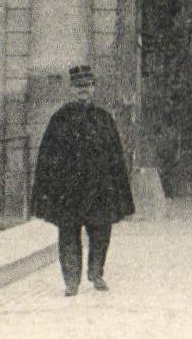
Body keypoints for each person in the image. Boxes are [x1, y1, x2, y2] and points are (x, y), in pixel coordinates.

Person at [30, 65, 135, 296]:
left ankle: (96, 273)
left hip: (100, 189)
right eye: (78, 86)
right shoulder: (60, 119)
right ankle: (71, 281)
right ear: (71, 88)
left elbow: (116, 156)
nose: (83, 90)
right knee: (68, 233)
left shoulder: (104, 119)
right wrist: (49, 190)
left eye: (87, 85)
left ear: (94, 88)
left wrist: (118, 189)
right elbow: (47, 157)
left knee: (101, 232)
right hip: (69, 190)